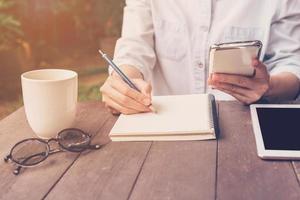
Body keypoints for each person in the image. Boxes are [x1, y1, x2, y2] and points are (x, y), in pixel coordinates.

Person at [100, 0, 300, 115]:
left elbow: (292, 62)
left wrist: (269, 87)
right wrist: (124, 82)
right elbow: (135, 45)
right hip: (161, 123)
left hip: (246, 128)